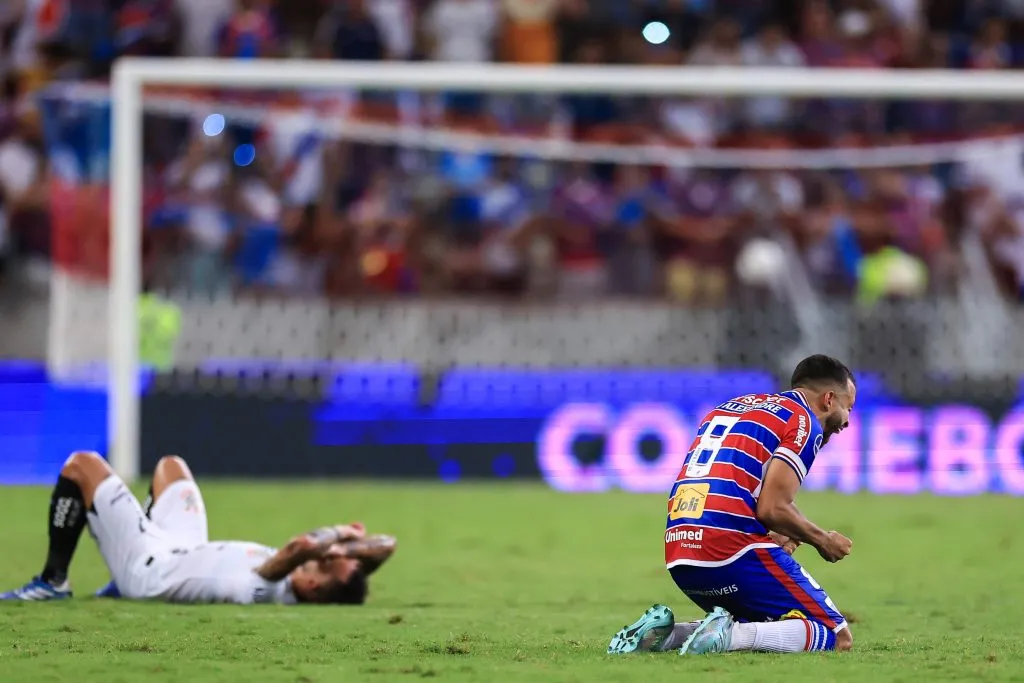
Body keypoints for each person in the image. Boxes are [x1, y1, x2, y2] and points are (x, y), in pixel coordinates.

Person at [607, 354, 856, 655]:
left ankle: (667, 635)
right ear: (829, 399)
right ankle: (729, 639)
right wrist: (822, 540)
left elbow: (734, 489)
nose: (846, 421)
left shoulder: (731, 407)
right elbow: (772, 508)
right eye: (848, 407)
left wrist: (771, 532)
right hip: (728, 550)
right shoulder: (803, 421)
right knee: (834, 634)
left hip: (680, 552)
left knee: (767, 621)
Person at [1, 452, 396, 604]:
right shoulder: (298, 576)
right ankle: (122, 544)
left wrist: (340, 534)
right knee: (172, 468)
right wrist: (349, 552)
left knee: (81, 465)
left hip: (150, 570)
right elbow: (387, 546)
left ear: (312, 586)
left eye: (325, 565)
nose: (324, 557)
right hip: (182, 548)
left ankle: (53, 582)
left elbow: (302, 545)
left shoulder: (268, 588)